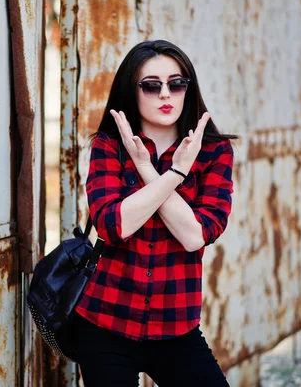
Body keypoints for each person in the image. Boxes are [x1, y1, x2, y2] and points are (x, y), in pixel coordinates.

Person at [74, 40, 237, 386]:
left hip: (176, 328)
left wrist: (150, 172)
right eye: (152, 85)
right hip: (105, 323)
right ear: (132, 91)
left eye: (176, 84)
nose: (166, 94)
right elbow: (113, 224)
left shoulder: (213, 152)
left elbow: (195, 236)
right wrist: (174, 176)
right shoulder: (109, 146)